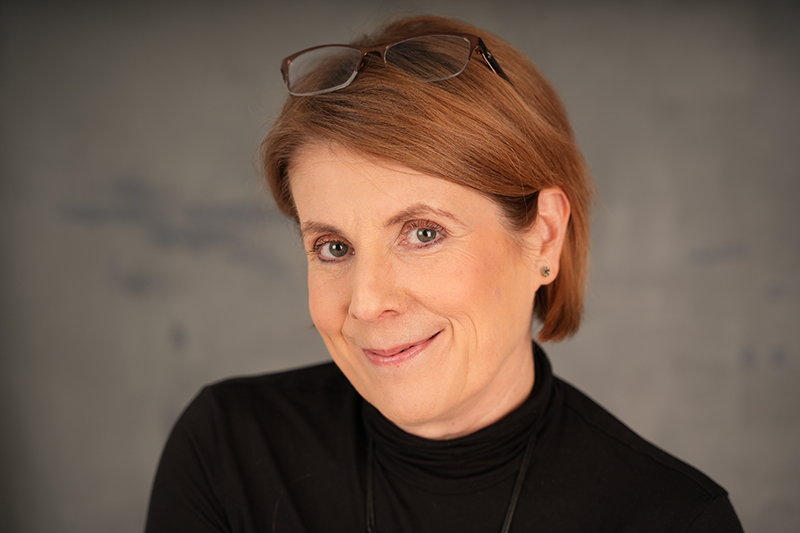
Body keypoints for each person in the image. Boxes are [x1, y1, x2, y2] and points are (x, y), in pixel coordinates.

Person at [145, 15, 744, 533]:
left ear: (544, 234)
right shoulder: (228, 450)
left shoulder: (673, 518)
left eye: (424, 233)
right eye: (333, 246)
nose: (367, 302)